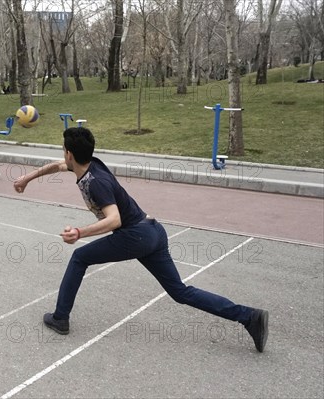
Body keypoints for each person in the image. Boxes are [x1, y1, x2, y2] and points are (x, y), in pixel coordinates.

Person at [13, 127, 269, 353]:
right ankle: (249, 317)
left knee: (79, 257)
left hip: (135, 235)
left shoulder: (96, 182)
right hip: (153, 231)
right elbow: (57, 166)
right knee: (180, 292)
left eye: (64, 151)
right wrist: (27, 178)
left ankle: (60, 318)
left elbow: (113, 220)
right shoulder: (89, 164)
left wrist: (79, 232)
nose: (63, 157)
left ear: (69, 152)